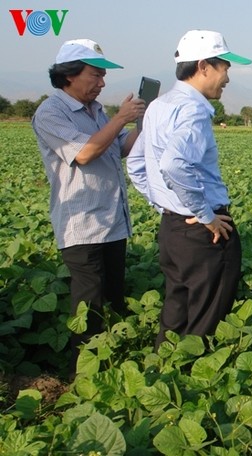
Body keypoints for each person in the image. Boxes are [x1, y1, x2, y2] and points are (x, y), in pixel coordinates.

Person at [127, 30, 250, 347]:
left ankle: (160, 373)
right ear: (205, 66)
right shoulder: (193, 110)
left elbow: (137, 165)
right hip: (203, 234)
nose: (227, 79)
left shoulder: (158, 105)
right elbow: (174, 164)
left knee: (176, 312)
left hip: (173, 229)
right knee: (204, 321)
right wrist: (204, 215)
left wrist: (167, 206)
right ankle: (193, 383)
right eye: (225, 68)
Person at [32, 39, 145, 373]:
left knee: (112, 298)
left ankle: (112, 363)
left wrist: (139, 123)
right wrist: (121, 119)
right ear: (69, 75)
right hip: (81, 227)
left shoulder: (97, 111)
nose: (102, 82)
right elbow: (83, 153)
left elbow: (119, 147)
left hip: (112, 221)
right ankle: (80, 372)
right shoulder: (51, 112)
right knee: (88, 305)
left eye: (103, 76)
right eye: (95, 75)